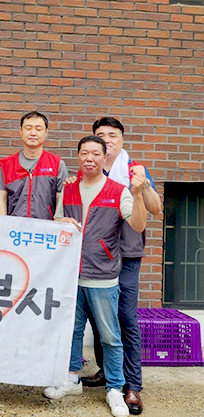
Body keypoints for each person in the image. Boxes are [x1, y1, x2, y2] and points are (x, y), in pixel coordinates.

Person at [44, 136, 147, 417]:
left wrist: (138, 194)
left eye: (95, 153)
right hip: (70, 275)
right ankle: (72, 378)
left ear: (104, 157)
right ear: (78, 156)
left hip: (103, 277)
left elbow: (138, 224)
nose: (89, 158)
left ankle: (115, 388)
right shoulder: (69, 188)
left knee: (110, 336)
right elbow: (57, 219)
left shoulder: (119, 190)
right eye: (84, 153)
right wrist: (60, 220)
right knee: (72, 331)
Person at [80, 118, 162, 415]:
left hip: (126, 255)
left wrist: (143, 185)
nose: (107, 139)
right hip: (98, 259)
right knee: (98, 317)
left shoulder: (134, 169)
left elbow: (156, 208)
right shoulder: (91, 170)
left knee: (125, 319)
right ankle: (107, 371)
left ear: (122, 140)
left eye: (112, 135)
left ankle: (132, 385)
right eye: (100, 135)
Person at [0, 111, 68, 219]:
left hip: (45, 227)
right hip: (15, 227)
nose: (33, 133)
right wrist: (2, 225)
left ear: (46, 132)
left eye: (38, 129)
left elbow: (60, 201)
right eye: (28, 128)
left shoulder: (57, 164)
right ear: (21, 131)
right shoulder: (7, 165)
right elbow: (2, 199)